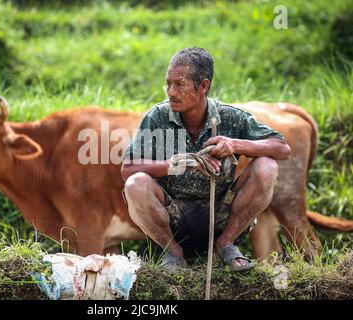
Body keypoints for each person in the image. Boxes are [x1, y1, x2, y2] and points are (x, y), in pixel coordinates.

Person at [120, 47, 291, 271]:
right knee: (135, 184)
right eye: (168, 83)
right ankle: (173, 253)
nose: (170, 92)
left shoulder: (230, 116)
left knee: (267, 166)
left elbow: (282, 148)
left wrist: (235, 144)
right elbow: (127, 169)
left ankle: (226, 243)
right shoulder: (157, 117)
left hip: (222, 214)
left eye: (179, 84)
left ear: (203, 86)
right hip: (173, 218)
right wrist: (176, 165)